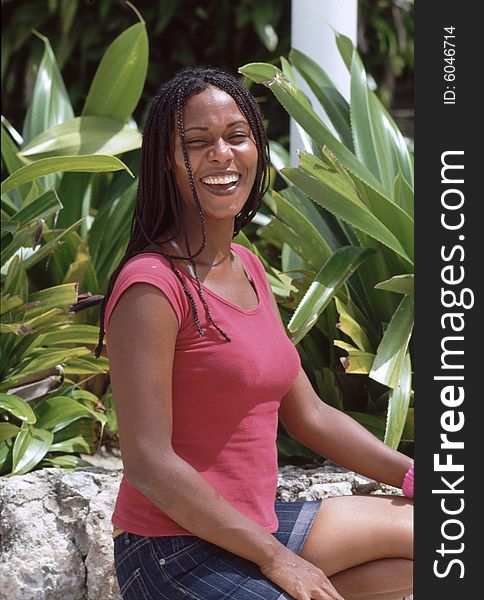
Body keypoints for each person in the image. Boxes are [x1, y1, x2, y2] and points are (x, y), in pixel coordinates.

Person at [95, 66, 414, 600]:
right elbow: (149, 464)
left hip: (256, 528)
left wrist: (417, 477)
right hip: (173, 550)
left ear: (257, 149)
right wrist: (279, 562)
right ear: (167, 163)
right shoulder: (151, 288)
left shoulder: (247, 265)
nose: (221, 154)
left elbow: (310, 415)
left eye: (236, 137)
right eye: (197, 143)